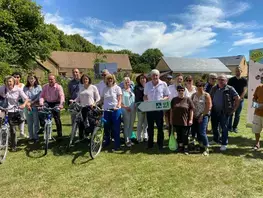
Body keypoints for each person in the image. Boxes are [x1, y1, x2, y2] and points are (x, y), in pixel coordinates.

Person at [210, 74, 240, 151]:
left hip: (225, 112)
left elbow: (237, 98)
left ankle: (224, 143)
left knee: (224, 128)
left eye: (222, 79)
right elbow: (210, 98)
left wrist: (234, 109)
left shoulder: (230, 89)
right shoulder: (214, 88)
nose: (220, 81)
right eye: (219, 79)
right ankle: (215, 139)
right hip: (214, 111)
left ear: (226, 81)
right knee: (214, 127)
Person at [0, 76, 29, 151]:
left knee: (12, 129)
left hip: (13, 110)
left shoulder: (18, 89)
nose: (8, 83)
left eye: (10, 81)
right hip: (4, 109)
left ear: (13, 82)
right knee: (2, 125)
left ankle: (13, 146)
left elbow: (26, 98)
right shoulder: (3, 88)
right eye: (7, 81)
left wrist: (24, 104)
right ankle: (3, 142)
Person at [144, 69, 170, 150]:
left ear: (159, 76)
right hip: (150, 109)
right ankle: (150, 144)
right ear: (151, 76)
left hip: (159, 109)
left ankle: (160, 143)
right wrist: (146, 100)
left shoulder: (164, 84)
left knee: (160, 127)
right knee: (150, 127)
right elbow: (145, 95)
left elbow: (167, 95)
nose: (155, 77)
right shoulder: (147, 85)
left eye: (156, 75)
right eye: (153, 75)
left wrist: (163, 99)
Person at [72, 74, 100, 140]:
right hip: (82, 107)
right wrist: (73, 101)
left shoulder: (93, 87)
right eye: (83, 79)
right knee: (81, 122)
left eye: (86, 79)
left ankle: (92, 136)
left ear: (89, 80)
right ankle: (82, 137)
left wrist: (94, 104)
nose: (85, 80)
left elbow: (98, 98)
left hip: (90, 107)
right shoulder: (81, 88)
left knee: (91, 122)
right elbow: (78, 98)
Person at [39, 74, 65, 139]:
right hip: (48, 102)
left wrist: (61, 105)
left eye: (52, 79)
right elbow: (41, 96)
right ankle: (43, 126)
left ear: (55, 80)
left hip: (56, 102)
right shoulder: (45, 87)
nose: (50, 81)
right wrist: (41, 103)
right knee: (40, 112)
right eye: (49, 79)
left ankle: (59, 134)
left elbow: (62, 96)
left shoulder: (59, 87)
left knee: (57, 118)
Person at [170, 85, 194, 155]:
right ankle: (180, 147)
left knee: (185, 135)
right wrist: (171, 120)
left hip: (185, 121)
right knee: (179, 134)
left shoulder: (188, 99)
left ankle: (186, 148)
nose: (181, 91)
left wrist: (191, 119)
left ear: (184, 90)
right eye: (179, 90)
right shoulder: (174, 100)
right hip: (176, 120)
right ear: (177, 91)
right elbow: (171, 110)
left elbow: (191, 110)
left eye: (182, 90)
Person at [101, 74, 122, 151]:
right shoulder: (104, 89)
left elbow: (119, 99)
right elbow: (102, 99)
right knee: (106, 127)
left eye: (111, 79)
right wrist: (95, 104)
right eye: (108, 79)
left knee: (116, 128)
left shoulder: (117, 88)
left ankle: (117, 145)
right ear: (106, 80)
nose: (110, 80)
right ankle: (107, 141)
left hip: (115, 110)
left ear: (113, 80)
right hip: (106, 110)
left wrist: (118, 106)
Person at [191, 80, 212, 156]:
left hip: (204, 115)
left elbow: (208, 107)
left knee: (202, 132)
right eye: (198, 86)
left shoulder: (206, 95)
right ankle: (201, 145)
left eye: (201, 86)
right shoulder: (193, 95)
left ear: (203, 86)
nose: (200, 87)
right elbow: (192, 106)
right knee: (197, 131)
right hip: (194, 116)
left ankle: (207, 148)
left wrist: (202, 115)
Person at [227, 67, 248, 133]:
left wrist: (240, 98)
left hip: (240, 100)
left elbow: (245, 90)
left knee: (237, 115)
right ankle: (229, 127)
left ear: (241, 71)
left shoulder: (244, 80)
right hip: (232, 99)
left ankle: (234, 127)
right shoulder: (231, 80)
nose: (237, 72)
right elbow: (228, 89)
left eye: (238, 71)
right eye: (236, 71)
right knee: (230, 113)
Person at [23, 75, 42, 143]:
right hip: (27, 107)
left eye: (32, 79)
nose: (31, 80)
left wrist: (32, 103)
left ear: (35, 79)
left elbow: (39, 96)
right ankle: (31, 137)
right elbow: (24, 96)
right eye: (29, 79)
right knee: (29, 122)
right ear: (27, 80)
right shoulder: (25, 87)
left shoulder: (38, 87)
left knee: (36, 122)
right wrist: (28, 104)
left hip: (35, 106)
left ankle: (36, 137)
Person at [121, 77, 136, 147]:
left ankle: (129, 138)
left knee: (131, 124)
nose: (127, 83)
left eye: (128, 82)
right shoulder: (122, 91)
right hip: (125, 110)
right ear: (123, 83)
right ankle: (126, 139)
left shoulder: (132, 90)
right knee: (126, 125)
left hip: (133, 109)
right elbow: (120, 103)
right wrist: (125, 107)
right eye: (126, 82)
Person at [12, 72, 27, 138]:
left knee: (22, 117)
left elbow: (25, 95)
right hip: (12, 104)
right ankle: (13, 134)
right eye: (14, 77)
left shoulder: (23, 85)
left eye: (18, 77)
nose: (16, 78)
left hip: (21, 104)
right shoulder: (10, 85)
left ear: (20, 78)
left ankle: (21, 132)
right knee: (12, 118)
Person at [134, 73, 148, 143]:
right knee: (140, 122)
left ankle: (145, 135)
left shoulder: (149, 86)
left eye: (144, 78)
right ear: (139, 80)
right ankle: (138, 137)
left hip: (148, 105)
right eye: (141, 78)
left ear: (146, 79)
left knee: (146, 122)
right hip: (140, 105)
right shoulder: (137, 87)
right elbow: (137, 97)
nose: (142, 79)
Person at [251, 78, 263, 151]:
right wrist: (256, 104)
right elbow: (254, 97)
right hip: (257, 113)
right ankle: (257, 144)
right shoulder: (259, 87)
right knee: (256, 130)